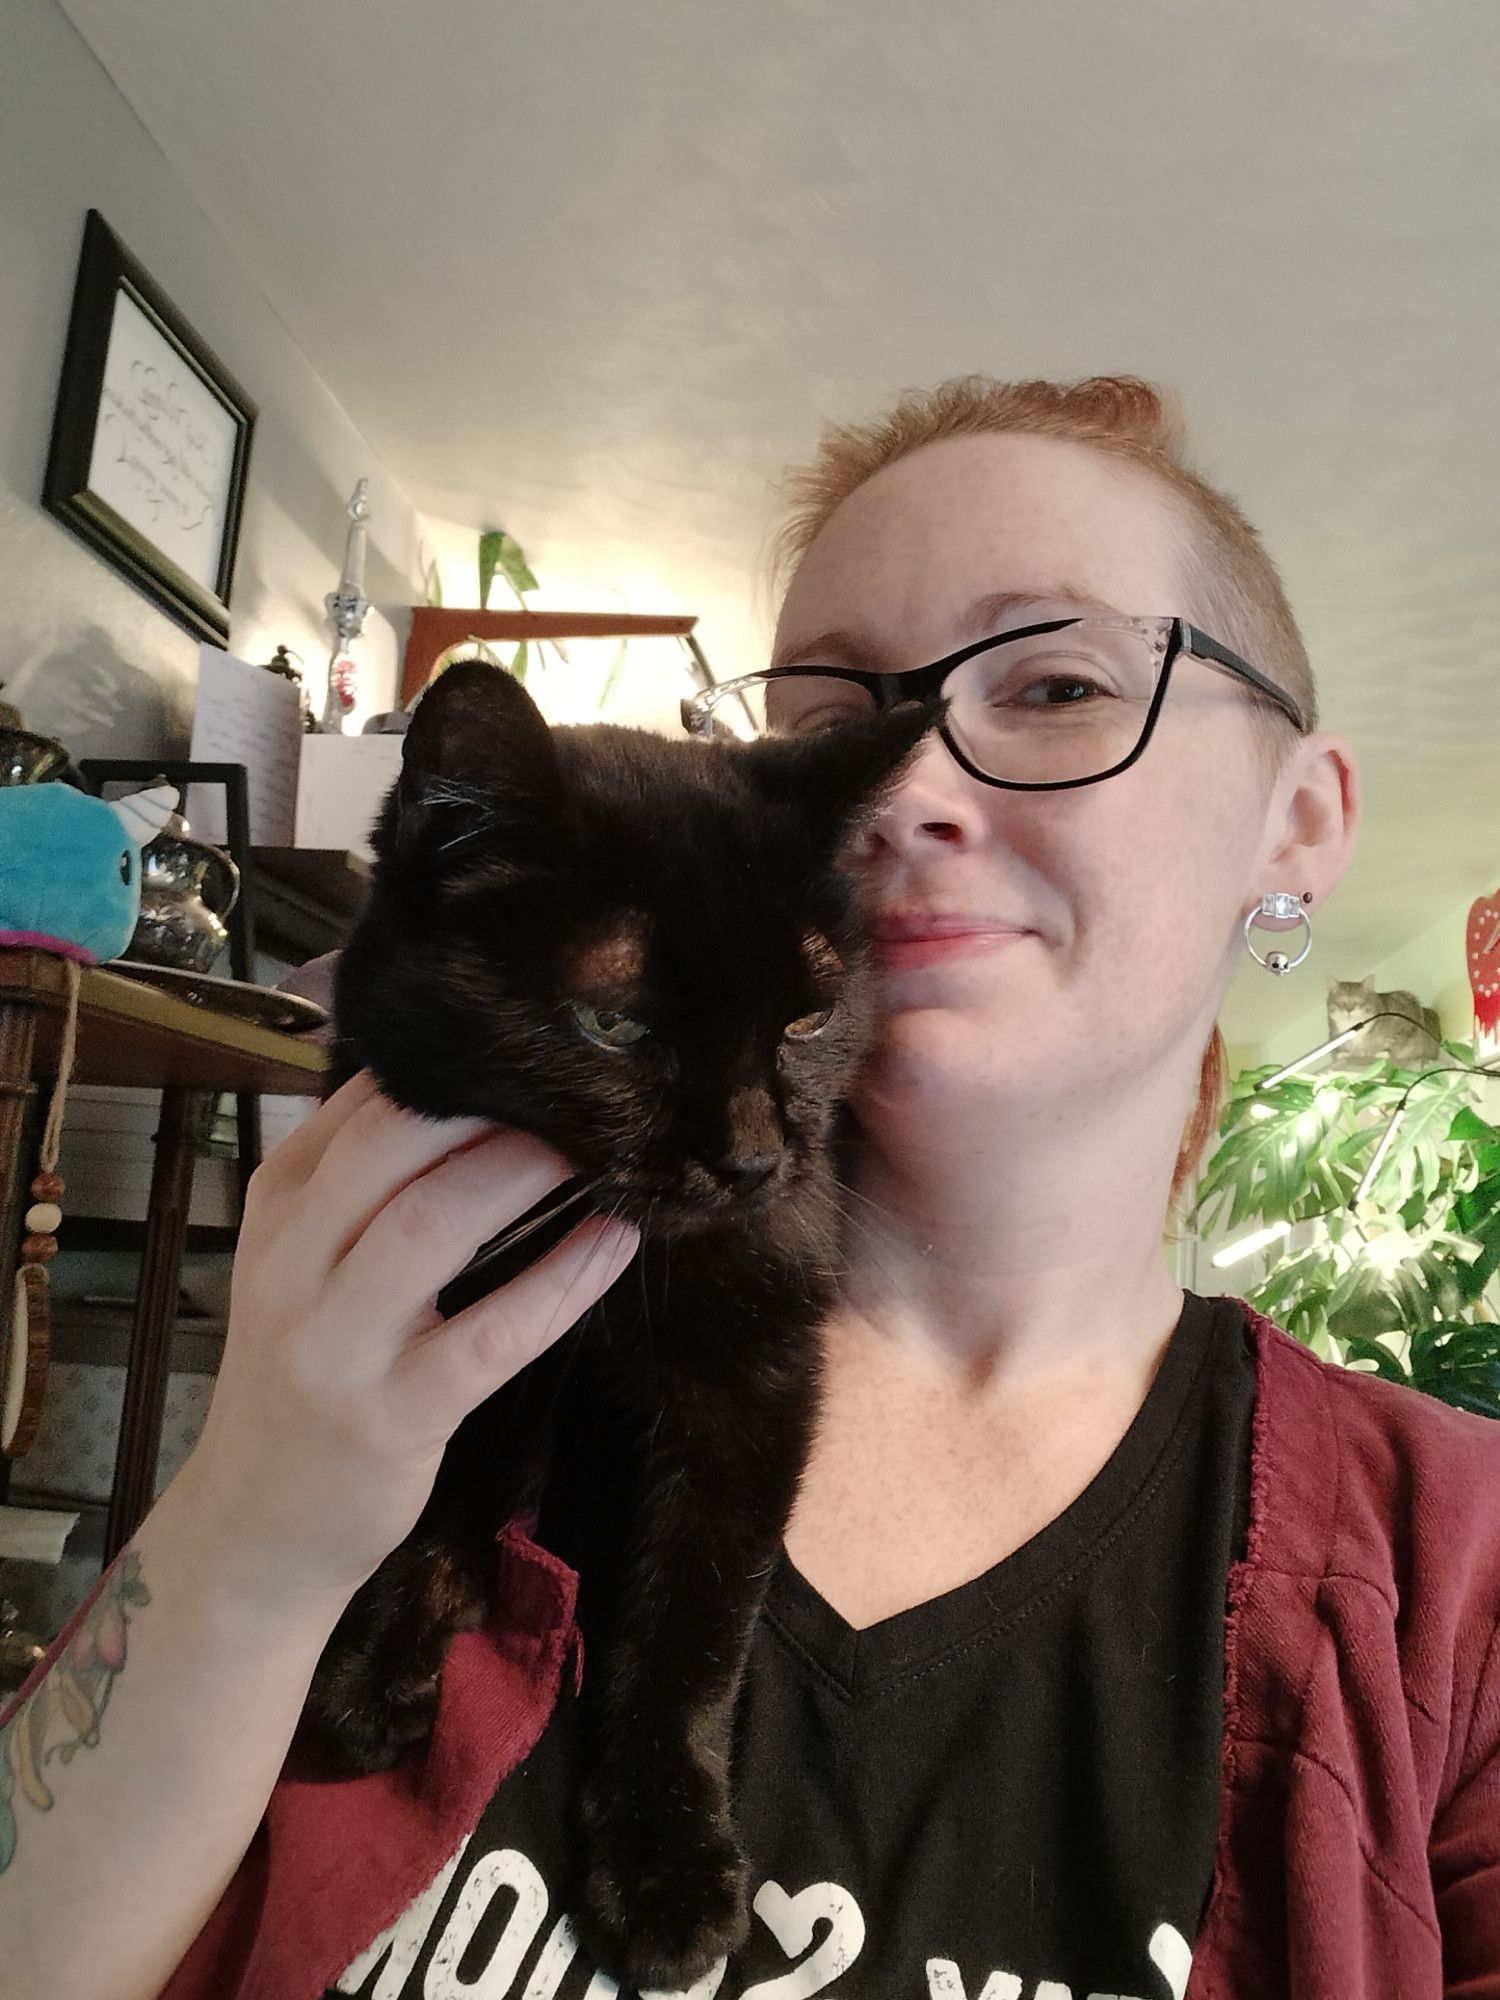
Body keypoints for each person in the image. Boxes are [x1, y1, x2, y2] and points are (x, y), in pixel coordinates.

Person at [4, 377, 1497, 2000]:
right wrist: (244, 1540)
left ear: (1302, 819)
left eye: (1058, 682)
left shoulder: (1455, 1575)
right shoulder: (389, 1359)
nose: (908, 797)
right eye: (829, 726)